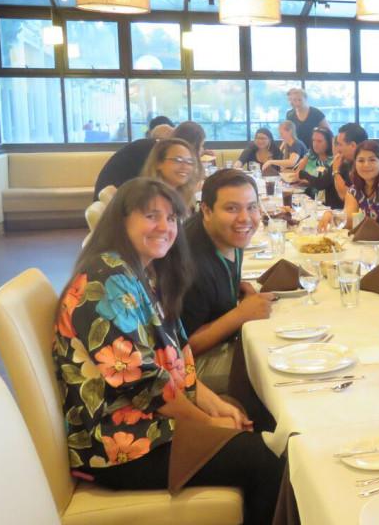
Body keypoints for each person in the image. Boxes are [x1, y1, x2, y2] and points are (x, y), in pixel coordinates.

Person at [53, 178, 281, 523]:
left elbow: (175, 358)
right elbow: (142, 384)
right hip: (117, 447)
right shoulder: (105, 282)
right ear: (121, 221)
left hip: (144, 426)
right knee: (265, 458)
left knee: (246, 417)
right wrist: (207, 422)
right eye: (151, 216)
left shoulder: (138, 271)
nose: (165, 227)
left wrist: (215, 404)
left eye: (172, 218)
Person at [181, 170, 276, 395]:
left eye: (252, 207)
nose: (245, 218)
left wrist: (237, 285)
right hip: (191, 369)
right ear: (206, 210)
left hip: (220, 342)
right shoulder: (192, 265)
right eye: (232, 208)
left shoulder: (225, 236)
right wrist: (241, 314)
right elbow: (183, 348)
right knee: (276, 363)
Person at [92, 116, 175, 200]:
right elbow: (153, 184)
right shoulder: (150, 149)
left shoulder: (143, 146)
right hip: (114, 201)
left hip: (108, 195)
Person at [141, 138, 201, 211]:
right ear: (158, 163)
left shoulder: (185, 197)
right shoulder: (148, 200)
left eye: (189, 161)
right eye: (177, 160)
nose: (185, 166)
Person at [331, 122, 368, 202]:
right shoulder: (349, 163)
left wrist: (335, 171)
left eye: (340, 145)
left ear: (353, 145)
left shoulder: (366, 166)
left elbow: (346, 196)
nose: (338, 149)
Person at [295, 127, 335, 201]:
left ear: (329, 143)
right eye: (313, 140)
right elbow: (298, 174)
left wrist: (309, 181)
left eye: (319, 141)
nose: (315, 144)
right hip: (307, 196)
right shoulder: (310, 154)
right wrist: (311, 181)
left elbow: (324, 183)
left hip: (326, 200)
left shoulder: (334, 160)